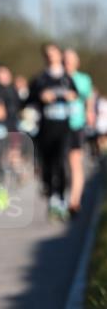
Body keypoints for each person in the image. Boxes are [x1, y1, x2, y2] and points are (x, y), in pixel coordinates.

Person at [27, 43, 77, 219]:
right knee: (47, 166)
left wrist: (68, 96)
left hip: (63, 127)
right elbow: (29, 102)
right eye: (47, 54)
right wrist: (41, 98)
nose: (51, 57)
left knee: (61, 162)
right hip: (45, 128)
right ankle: (52, 196)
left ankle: (62, 197)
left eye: (54, 53)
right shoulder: (40, 79)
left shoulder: (67, 78)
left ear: (59, 55)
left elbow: (75, 95)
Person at [63, 48, 93, 216]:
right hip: (59, 127)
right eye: (65, 59)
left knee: (75, 161)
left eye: (70, 59)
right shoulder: (58, 79)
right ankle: (65, 196)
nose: (67, 62)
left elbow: (88, 97)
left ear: (76, 62)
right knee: (63, 163)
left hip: (76, 125)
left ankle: (74, 200)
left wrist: (90, 112)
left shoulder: (83, 79)